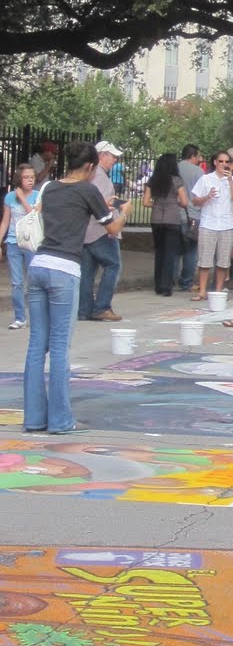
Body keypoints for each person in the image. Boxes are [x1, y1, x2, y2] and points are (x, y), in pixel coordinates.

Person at [23, 141, 128, 433]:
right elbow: (112, 229)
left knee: (36, 346)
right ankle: (60, 420)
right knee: (58, 347)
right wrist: (125, 211)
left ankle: (33, 418)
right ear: (91, 167)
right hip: (64, 268)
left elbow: (52, 213)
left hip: (39, 265)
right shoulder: (88, 189)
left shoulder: (50, 187)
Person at [78, 140, 126, 322]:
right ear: (101, 156)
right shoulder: (100, 176)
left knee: (87, 272)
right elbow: (99, 204)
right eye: (112, 156)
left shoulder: (92, 176)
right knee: (113, 265)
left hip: (87, 231)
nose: (115, 160)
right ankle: (102, 306)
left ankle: (84, 310)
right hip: (101, 230)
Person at [192, 151, 233, 302]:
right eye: (221, 161)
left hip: (227, 224)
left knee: (223, 261)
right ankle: (202, 291)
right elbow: (194, 201)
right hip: (209, 223)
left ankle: (218, 290)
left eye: (227, 162)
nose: (224, 164)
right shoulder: (205, 179)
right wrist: (207, 197)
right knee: (205, 260)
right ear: (215, 162)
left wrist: (230, 181)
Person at [1, 165, 41, 330]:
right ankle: (20, 318)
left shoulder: (38, 196)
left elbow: (34, 215)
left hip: (31, 243)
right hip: (13, 242)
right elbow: (5, 221)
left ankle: (36, 317)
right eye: (26, 177)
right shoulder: (10, 197)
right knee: (17, 282)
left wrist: (23, 198)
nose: (30, 180)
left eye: (32, 177)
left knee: (33, 281)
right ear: (19, 179)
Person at [143, 153, 188, 297]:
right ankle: (166, 286)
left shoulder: (153, 180)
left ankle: (158, 285)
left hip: (156, 219)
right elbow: (184, 201)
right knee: (170, 253)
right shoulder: (176, 181)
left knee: (159, 252)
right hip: (172, 218)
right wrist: (175, 203)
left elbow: (145, 202)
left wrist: (155, 204)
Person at [176, 144, 205, 293]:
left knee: (174, 250)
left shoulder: (174, 168)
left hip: (175, 213)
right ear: (193, 156)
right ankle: (186, 282)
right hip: (193, 214)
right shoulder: (198, 171)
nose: (199, 159)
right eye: (198, 156)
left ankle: (169, 279)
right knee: (191, 251)